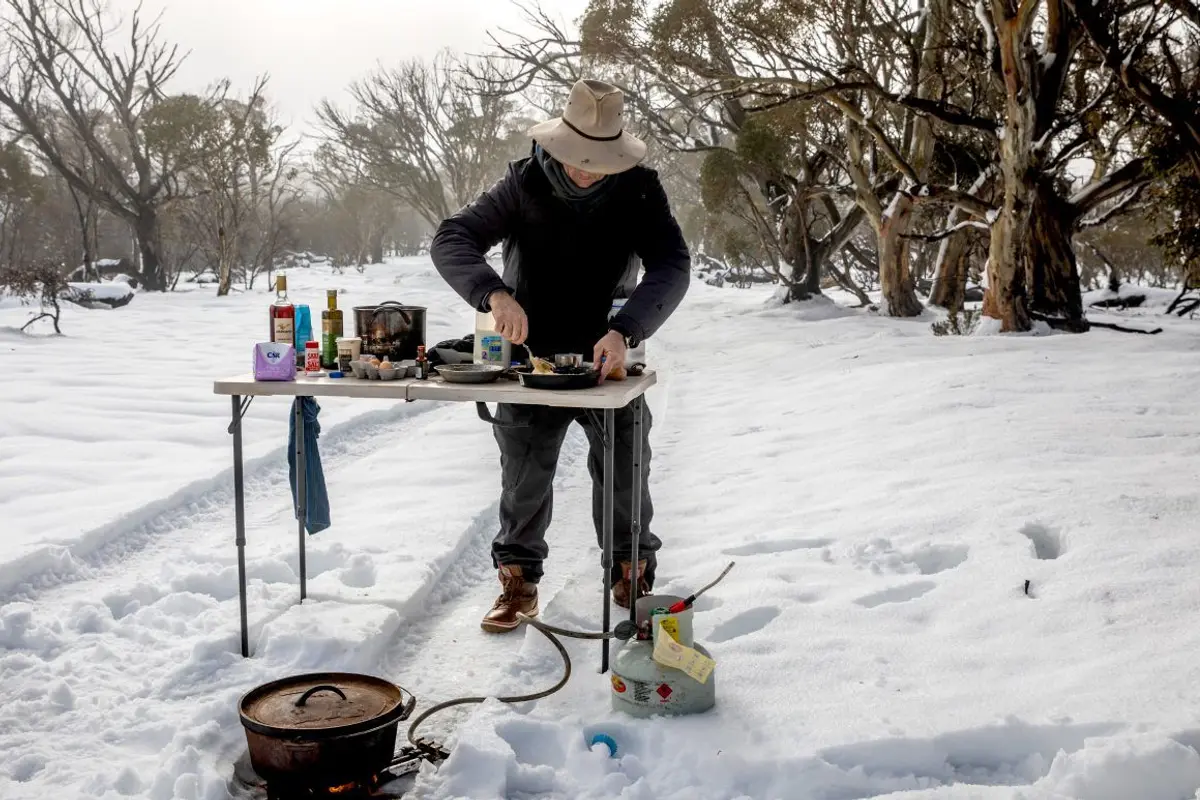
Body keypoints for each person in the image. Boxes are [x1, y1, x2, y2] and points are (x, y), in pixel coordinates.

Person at [429, 78, 691, 633]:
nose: (587, 170)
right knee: (523, 474)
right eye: (578, 158)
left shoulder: (639, 188)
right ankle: (518, 584)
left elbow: (672, 265)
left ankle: (630, 571)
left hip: (610, 353)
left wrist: (628, 328)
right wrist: (494, 293)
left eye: (599, 160)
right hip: (532, 355)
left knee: (625, 470)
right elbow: (453, 237)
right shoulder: (521, 183)